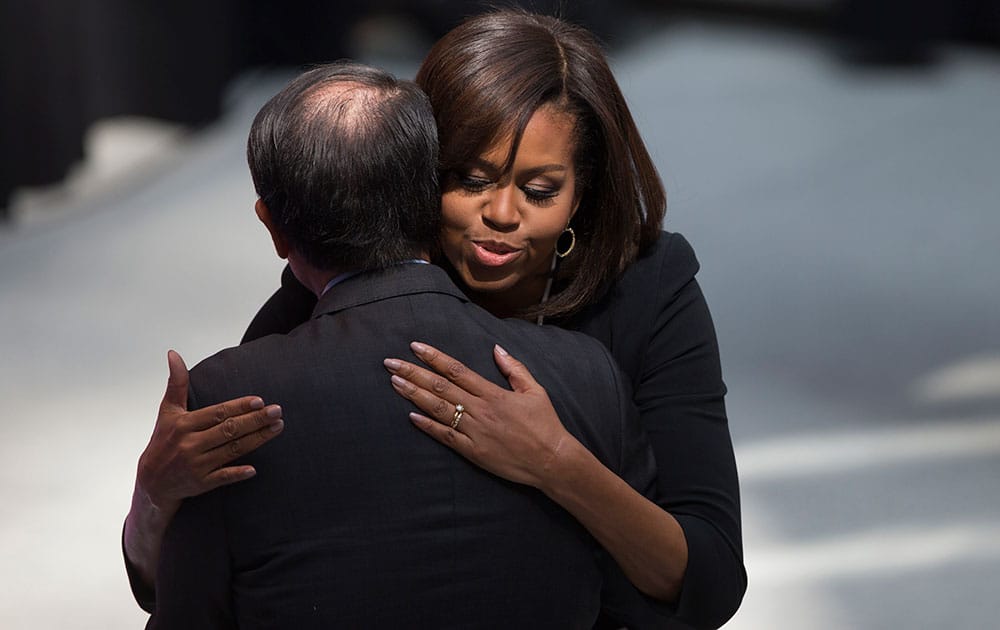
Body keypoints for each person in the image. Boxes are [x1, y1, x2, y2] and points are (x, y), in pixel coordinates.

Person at [125, 9, 747, 629]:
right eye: (471, 180)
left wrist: (556, 461)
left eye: (539, 190)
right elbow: (201, 575)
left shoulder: (646, 289)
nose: (502, 214)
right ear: (419, 173)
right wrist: (156, 494)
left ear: (580, 195)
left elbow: (710, 583)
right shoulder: (330, 294)